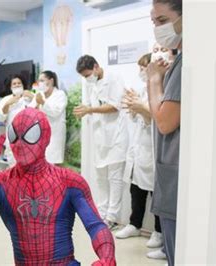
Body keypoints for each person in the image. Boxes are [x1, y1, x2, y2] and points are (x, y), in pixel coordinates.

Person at [0, 108, 116, 265]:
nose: (19, 144)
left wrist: (107, 258)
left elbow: (95, 226)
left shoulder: (70, 182)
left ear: (46, 137)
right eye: (14, 136)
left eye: (30, 135)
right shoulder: (0, 183)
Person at [116, 53, 167, 260]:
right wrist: (134, 106)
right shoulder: (142, 92)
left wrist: (140, 108)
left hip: (153, 149)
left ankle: (158, 231)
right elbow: (137, 117)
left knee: (157, 194)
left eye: (143, 67)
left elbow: (156, 117)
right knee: (136, 190)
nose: (141, 72)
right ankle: (134, 224)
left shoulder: (160, 90)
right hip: (139, 150)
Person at [73, 55, 128, 229]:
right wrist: (86, 109)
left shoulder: (114, 78)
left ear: (96, 67)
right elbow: (91, 105)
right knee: (101, 177)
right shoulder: (92, 84)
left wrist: (90, 109)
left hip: (116, 135)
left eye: (88, 74)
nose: (87, 79)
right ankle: (102, 213)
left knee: (115, 177)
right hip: (101, 136)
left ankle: (112, 217)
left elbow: (114, 105)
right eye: (84, 77)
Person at [147, 0, 182, 265]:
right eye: (154, 22)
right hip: (171, 171)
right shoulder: (179, 62)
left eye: (162, 20)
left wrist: (153, 78)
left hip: (176, 177)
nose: (157, 29)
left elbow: (164, 122)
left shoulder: (184, 66)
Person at [29, 70, 67, 165]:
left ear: (51, 81)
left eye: (42, 80)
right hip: (39, 136)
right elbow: (30, 110)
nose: (39, 83)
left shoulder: (60, 95)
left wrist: (42, 103)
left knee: (52, 164)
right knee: (39, 165)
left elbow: (55, 112)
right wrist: (36, 105)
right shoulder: (39, 95)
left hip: (54, 135)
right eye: (39, 81)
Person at [0, 75, 34, 166]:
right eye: (14, 84)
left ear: (23, 85)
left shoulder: (29, 97)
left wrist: (33, 97)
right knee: (13, 164)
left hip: (29, 136)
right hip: (13, 136)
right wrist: (8, 104)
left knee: (28, 165)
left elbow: (38, 113)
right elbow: (0, 118)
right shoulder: (6, 99)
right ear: (10, 87)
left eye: (19, 83)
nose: (17, 85)